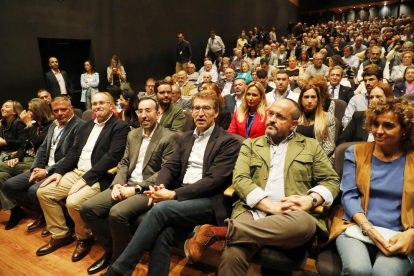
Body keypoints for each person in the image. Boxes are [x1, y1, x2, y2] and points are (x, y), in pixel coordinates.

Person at [184, 99, 340, 275]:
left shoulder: (310, 146)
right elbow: (240, 179)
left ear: (294, 124)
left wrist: (311, 199)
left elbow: (331, 181)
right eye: (271, 113)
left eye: (280, 117)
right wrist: (272, 207)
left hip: (292, 216)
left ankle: (218, 232)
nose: (272, 119)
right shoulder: (250, 145)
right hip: (253, 210)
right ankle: (229, 233)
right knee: (233, 252)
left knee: (306, 225)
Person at [101, 91, 240, 276]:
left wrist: (173, 195)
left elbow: (214, 181)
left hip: (208, 201)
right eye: (196, 108)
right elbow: (169, 166)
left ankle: (119, 270)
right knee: (164, 232)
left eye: (206, 108)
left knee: (160, 210)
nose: (200, 113)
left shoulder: (228, 141)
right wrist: (158, 188)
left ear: (216, 113)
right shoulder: (186, 137)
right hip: (181, 197)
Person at [79, 97, 178, 274]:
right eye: (140, 111)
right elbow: (124, 163)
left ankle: (119, 266)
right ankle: (113, 251)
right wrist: (117, 184)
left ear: (158, 113)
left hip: (148, 189)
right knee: (87, 208)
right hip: (126, 184)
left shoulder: (169, 137)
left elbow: (165, 172)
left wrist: (136, 189)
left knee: (116, 213)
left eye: (148, 111)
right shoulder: (133, 134)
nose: (144, 115)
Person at [35, 92, 130, 260]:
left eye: (102, 103)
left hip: (100, 176)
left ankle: (84, 237)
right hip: (77, 172)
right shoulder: (87, 126)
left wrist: (86, 179)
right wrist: (58, 172)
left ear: (111, 105)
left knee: (73, 202)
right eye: (94, 103)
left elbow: (112, 158)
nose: (98, 106)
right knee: (44, 192)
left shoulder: (120, 126)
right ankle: (60, 235)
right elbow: (73, 153)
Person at [329, 97, 414, 276]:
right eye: (375, 124)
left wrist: (411, 233)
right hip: (356, 225)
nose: (379, 131)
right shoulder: (356, 152)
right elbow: (348, 196)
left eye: (388, 126)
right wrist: (369, 228)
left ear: (405, 129)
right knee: (357, 270)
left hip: (400, 232)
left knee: (385, 274)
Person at [2, 97, 84, 234]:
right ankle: (45, 213)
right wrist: (35, 169)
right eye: (56, 110)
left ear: (71, 109)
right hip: (43, 167)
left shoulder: (80, 126)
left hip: (61, 170)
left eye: (63, 109)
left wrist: (46, 172)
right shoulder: (53, 125)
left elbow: (71, 156)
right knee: (10, 185)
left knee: (33, 190)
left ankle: (61, 219)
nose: (59, 113)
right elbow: (42, 149)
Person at [0, 98, 54, 230]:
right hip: (25, 159)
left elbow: (37, 143)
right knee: (1, 176)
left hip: (38, 162)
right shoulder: (35, 126)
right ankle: (15, 210)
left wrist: (28, 124)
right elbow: (24, 145)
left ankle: (41, 209)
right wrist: (17, 158)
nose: (27, 112)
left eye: (30, 110)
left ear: (38, 111)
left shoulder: (50, 126)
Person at [296, 84, 336, 164]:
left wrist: (312, 159)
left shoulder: (328, 118)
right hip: (296, 159)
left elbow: (329, 145)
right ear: (301, 100)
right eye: (306, 97)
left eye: (313, 97)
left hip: (320, 160)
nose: (310, 101)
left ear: (318, 99)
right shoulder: (294, 117)